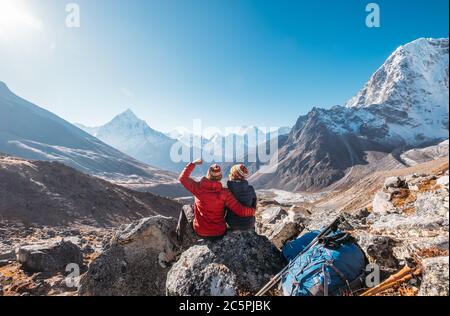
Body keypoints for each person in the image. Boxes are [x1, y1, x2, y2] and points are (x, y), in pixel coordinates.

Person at [176, 159, 256, 242]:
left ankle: (179, 238)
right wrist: (252, 211)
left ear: (208, 174)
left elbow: (182, 178)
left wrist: (193, 164)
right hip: (219, 233)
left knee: (186, 207)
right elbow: (240, 211)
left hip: (200, 232)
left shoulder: (198, 188)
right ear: (220, 177)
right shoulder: (225, 193)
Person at [225, 164, 257, 231]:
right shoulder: (251, 189)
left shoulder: (228, 190)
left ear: (233, 174)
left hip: (233, 224)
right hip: (249, 224)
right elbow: (254, 206)